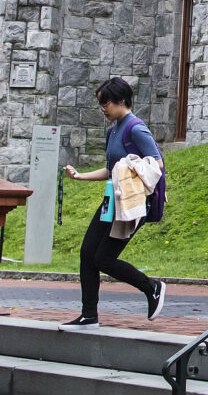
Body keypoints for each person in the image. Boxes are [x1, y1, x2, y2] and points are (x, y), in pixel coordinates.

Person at [60, 77, 164, 327]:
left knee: (104, 259)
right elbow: (111, 170)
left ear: (121, 100)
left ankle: (152, 287)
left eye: (105, 103)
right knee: (88, 254)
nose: (103, 109)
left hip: (133, 204)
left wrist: (130, 164)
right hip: (112, 200)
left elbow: (157, 163)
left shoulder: (135, 128)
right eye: (100, 104)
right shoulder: (113, 131)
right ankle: (89, 315)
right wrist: (80, 176)